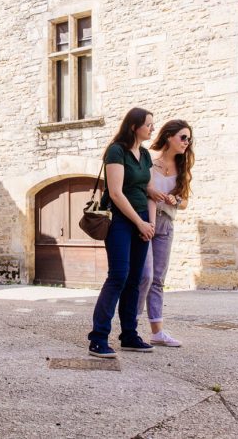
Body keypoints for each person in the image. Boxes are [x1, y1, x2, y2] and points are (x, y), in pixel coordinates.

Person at [88, 107, 164, 358]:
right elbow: (117, 193)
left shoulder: (144, 154)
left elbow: (148, 189)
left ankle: (129, 335)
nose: (152, 128)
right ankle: (98, 338)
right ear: (134, 126)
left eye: (152, 124)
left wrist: (149, 223)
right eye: (149, 124)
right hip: (121, 219)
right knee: (119, 276)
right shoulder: (116, 151)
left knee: (136, 279)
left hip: (142, 219)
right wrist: (139, 223)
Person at [137, 119, 194, 347]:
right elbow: (140, 189)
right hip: (145, 221)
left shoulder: (183, 168)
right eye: (183, 137)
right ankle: (131, 325)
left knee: (158, 279)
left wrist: (175, 199)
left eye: (189, 139)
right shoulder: (149, 160)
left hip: (166, 224)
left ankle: (157, 332)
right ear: (169, 136)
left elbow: (185, 202)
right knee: (145, 276)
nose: (186, 143)